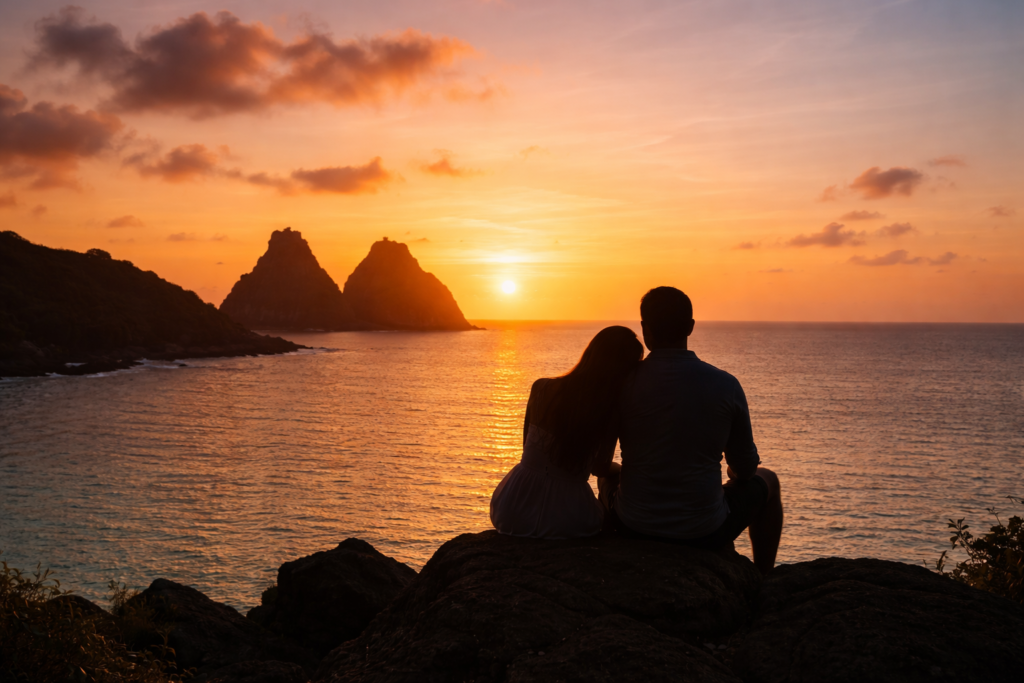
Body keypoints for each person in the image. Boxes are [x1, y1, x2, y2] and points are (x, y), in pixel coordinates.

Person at [599, 287, 784, 574]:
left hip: (632, 525)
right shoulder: (725, 385)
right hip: (704, 532)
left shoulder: (622, 384)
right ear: (690, 327)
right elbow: (746, 470)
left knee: (608, 480)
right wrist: (735, 474)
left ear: (645, 329)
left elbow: (598, 464)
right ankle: (763, 577)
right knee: (768, 479)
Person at [490, 326, 644, 539]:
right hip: (568, 517)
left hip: (512, 506)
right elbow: (600, 468)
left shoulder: (541, 388)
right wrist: (619, 469)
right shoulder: (609, 410)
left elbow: (527, 446)